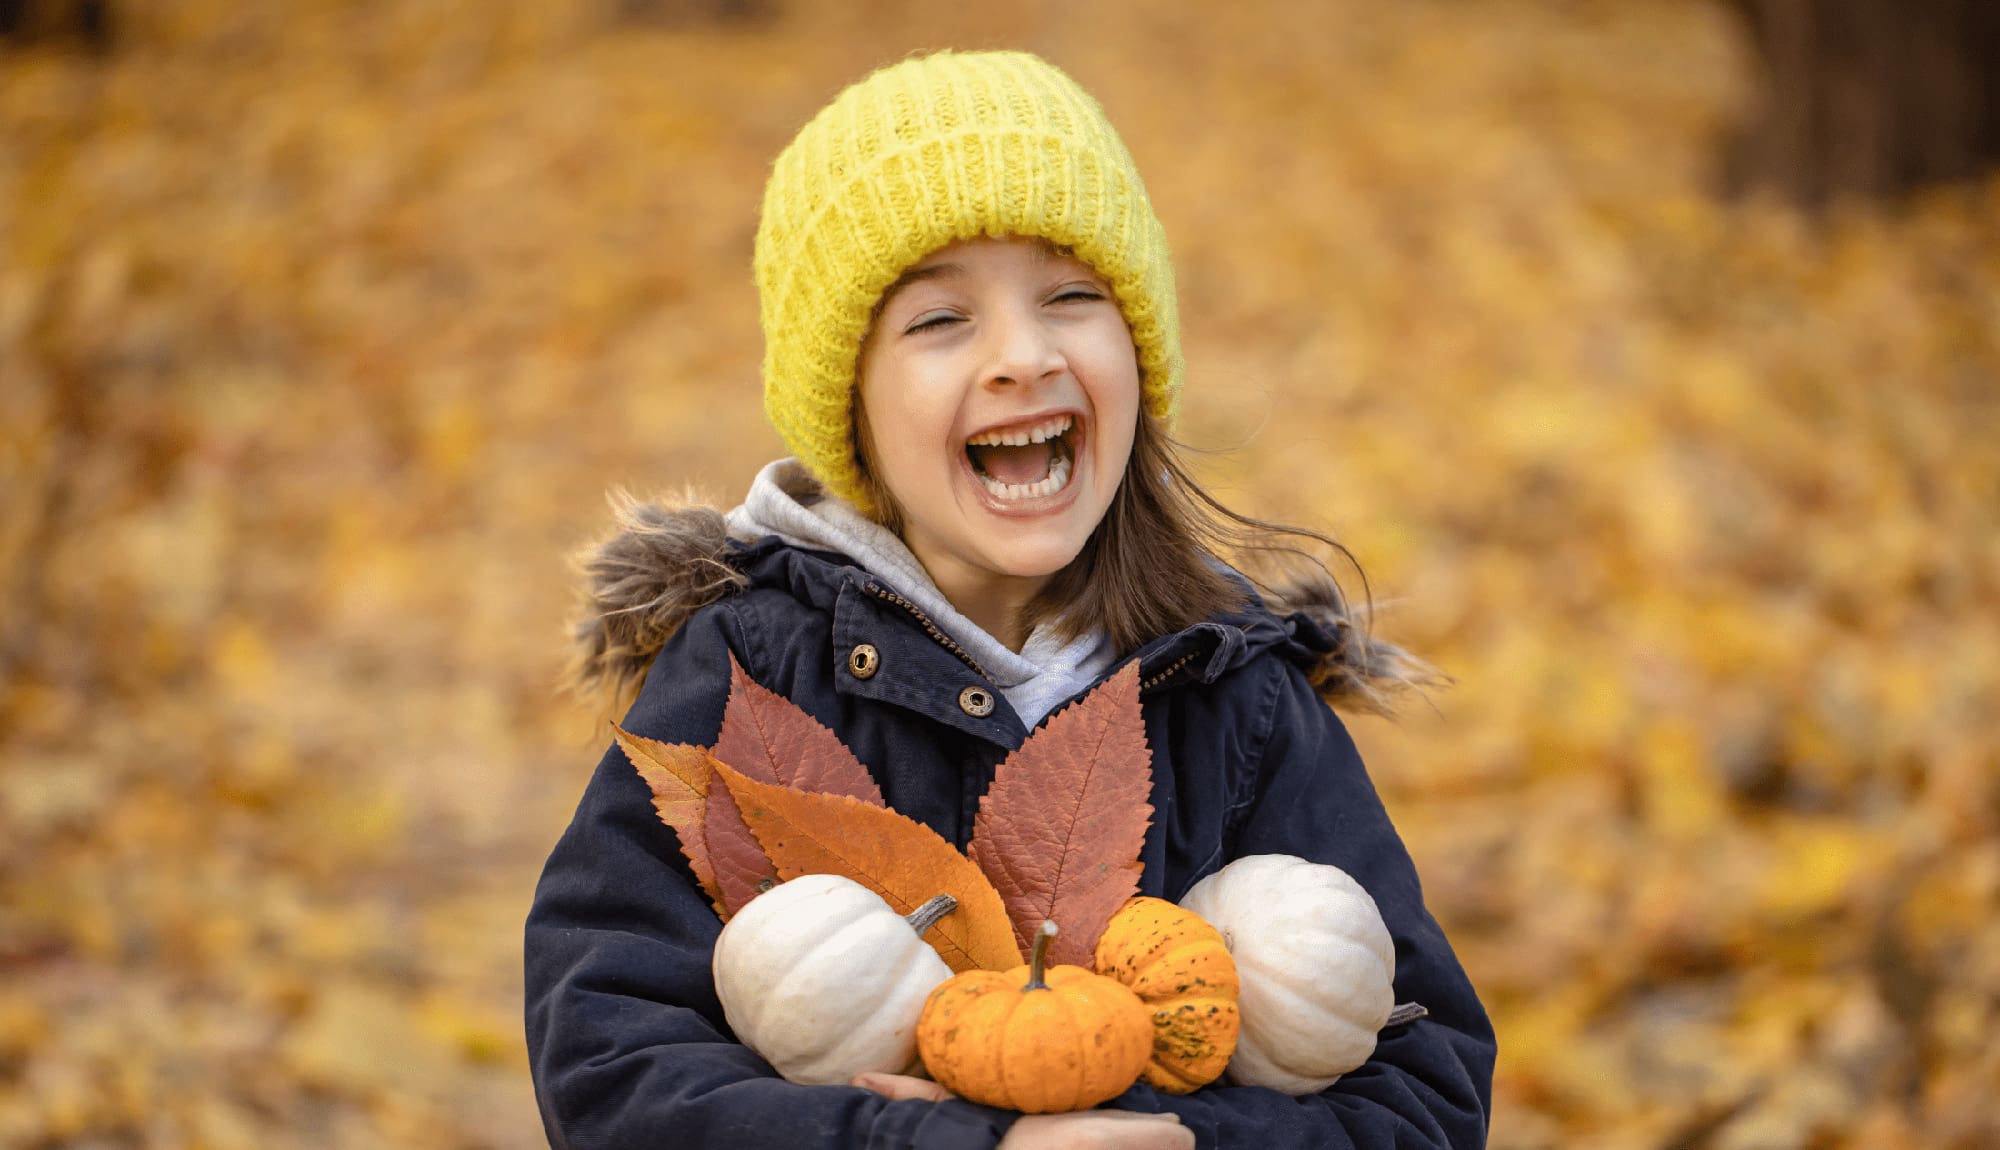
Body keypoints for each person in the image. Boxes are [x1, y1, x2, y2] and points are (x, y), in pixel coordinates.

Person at [525, 49, 1495, 1150]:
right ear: (852, 405)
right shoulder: (748, 676)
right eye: (940, 321)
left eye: (1071, 297)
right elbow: (607, 1062)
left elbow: (1425, 1086)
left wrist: (1171, 1137)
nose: (1022, 356)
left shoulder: (1235, 696)